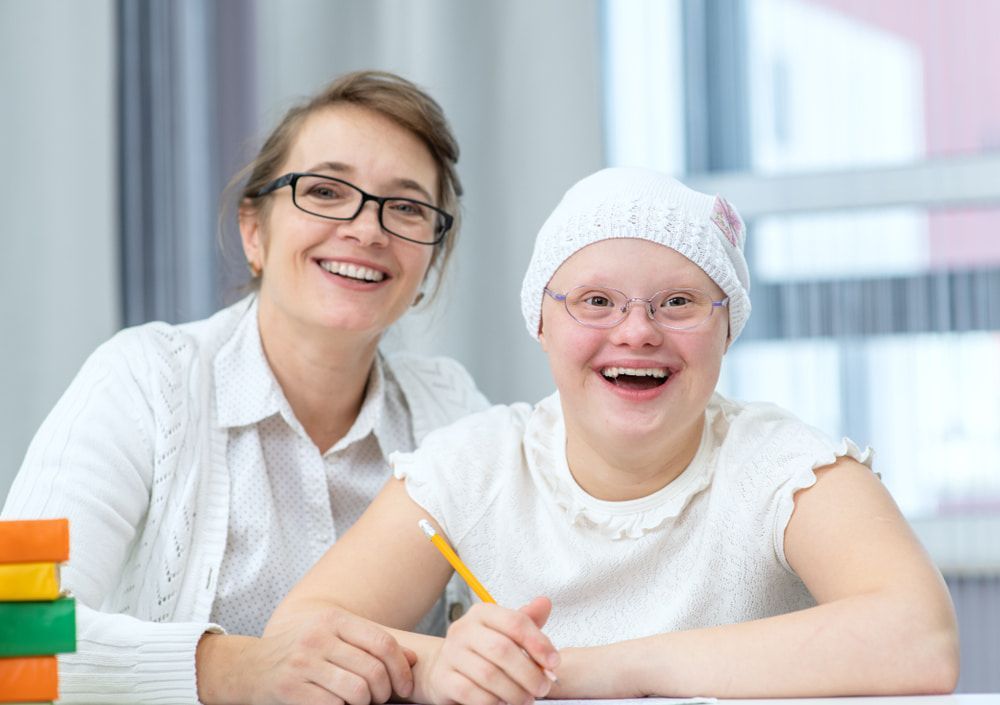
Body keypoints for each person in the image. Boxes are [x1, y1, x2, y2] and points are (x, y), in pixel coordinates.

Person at [267, 167, 960, 702]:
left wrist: (594, 669)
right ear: (541, 322)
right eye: (597, 301)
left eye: (679, 302)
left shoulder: (781, 463)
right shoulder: (477, 465)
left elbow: (921, 637)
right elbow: (295, 636)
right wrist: (441, 666)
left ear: (727, 328)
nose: (637, 330)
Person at [1, 70, 488, 704]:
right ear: (253, 231)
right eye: (325, 190)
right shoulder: (142, 378)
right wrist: (236, 669)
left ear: (429, 263)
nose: (367, 229)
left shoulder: (451, 411)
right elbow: (16, 624)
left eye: (406, 207)